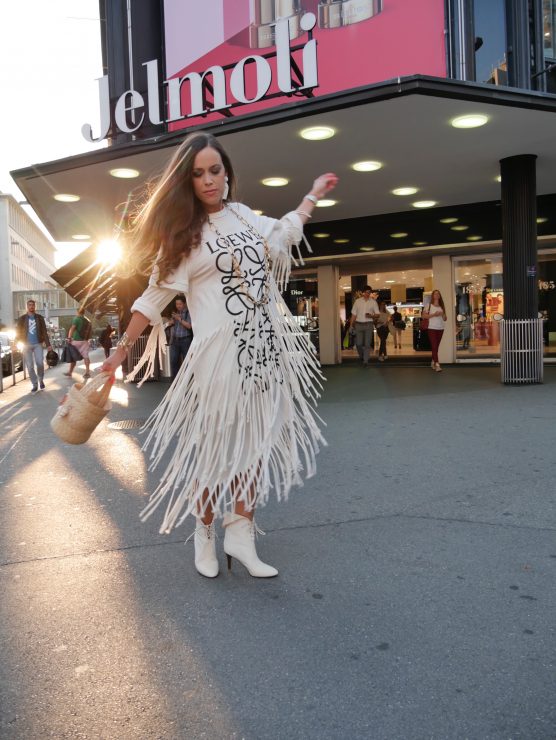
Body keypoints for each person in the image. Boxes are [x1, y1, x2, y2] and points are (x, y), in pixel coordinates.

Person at [101, 130, 338, 579]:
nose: (209, 180)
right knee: (214, 451)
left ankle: (241, 535)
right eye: (198, 174)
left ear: (227, 173)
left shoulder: (244, 216)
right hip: (218, 361)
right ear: (187, 181)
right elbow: (151, 300)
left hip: (263, 352)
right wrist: (118, 354)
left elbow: (285, 233)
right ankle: (204, 532)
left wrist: (312, 195)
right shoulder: (183, 237)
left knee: (254, 446)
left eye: (215, 170)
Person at [15, 299, 52, 393]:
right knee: (30, 366)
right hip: (26, 345)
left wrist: (48, 345)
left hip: (38, 344)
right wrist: (16, 343)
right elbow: (18, 331)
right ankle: (35, 384)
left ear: (35, 307)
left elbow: (44, 331)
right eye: (29, 305)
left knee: (40, 363)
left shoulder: (39, 318)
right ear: (27, 307)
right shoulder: (22, 318)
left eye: (33, 305)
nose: (31, 306)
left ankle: (41, 379)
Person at [349, 286, 379, 366]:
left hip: (369, 324)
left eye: (369, 292)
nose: (367, 294)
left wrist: (371, 316)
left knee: (367, 344)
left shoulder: (373, 302)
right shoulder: (357, 301)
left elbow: (377, 314)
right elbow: (353, 315)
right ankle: (362, 356)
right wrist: (351, 326)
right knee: (358, 344)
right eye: (366, 292)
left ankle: (365, 361)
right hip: (358, 324)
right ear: (363, 293)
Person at [167, 296, 193, 380]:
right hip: (175, 340)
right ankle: (176, 382)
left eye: (180, 304)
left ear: (184, 304)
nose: (178, 306)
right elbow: (171, 324)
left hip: (186, 340)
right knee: (173, 361)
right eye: (177, 304)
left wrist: (179, 319)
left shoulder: (189, 313)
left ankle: (187, 381)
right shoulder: (175, 313)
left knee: (187, 362)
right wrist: (171, 322)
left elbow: (189, 326)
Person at [422, 289, 447, 371]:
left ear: (440, 296)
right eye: (435, 294)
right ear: (432, 296)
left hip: (441, 328)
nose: (437, 295)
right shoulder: (428, 305)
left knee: (436, 347)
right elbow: (424, 316)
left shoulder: (441, 306)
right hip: (431, 328)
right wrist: (434, 315)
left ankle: (433, 361)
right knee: (434, 346)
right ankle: (437, 364)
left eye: (438, 294)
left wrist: (442, 314)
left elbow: (445, 319)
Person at [64, 306, 92, 379]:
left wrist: (69, 338)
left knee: (73, 356)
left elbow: (72, 328)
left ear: (78, 312)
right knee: (86, 356)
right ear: (84, 312)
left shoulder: (76, 319)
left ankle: (70, 372)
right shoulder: (88, 320)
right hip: (85, 341)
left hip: (76, 341)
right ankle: (87, 372)